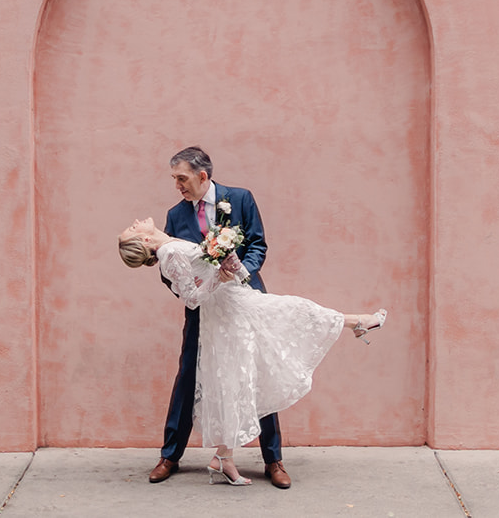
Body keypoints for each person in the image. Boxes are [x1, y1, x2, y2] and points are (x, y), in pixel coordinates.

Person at [132, 147, 385, 488]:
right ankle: (170, 455)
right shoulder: (175, 215)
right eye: (174, 179)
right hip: (203, 312)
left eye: (182, 178)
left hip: (243, 298)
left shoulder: (239, 198)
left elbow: (257, 245)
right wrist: (196, 291)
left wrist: (238, 274)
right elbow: (171, 275)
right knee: (189, 373)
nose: (178, 186)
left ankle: (273, 460)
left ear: (202, 175)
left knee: (261, 371)